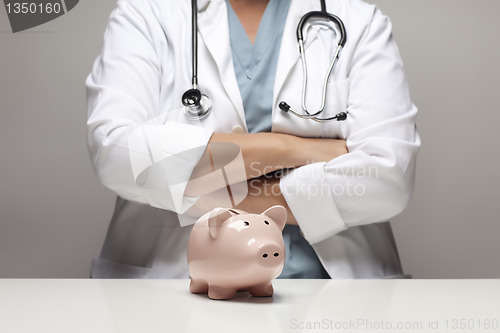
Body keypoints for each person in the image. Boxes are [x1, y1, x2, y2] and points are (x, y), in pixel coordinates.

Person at [86, 0, 420, 279]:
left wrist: (194, 191)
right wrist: (291, 148)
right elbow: (116, 152)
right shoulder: (146, 14)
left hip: (329, 291)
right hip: (176, 284)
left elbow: (387, 180)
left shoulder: (359, 22)